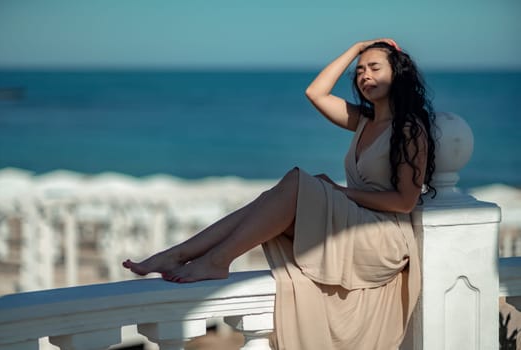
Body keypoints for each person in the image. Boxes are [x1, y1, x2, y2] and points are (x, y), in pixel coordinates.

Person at [123, 38, 436, 350]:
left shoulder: (409, 129)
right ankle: (181, 255)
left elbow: (404, 201)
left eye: (375, 68)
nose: (365, 75)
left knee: (298, 182)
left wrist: (342, 193)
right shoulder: (363, 122)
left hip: (383, 237)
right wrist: (358, 47)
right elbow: (316, 92)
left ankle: (213, 259)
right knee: (270, 200)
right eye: (359, 71)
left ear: (397, 73)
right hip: (355, 222)